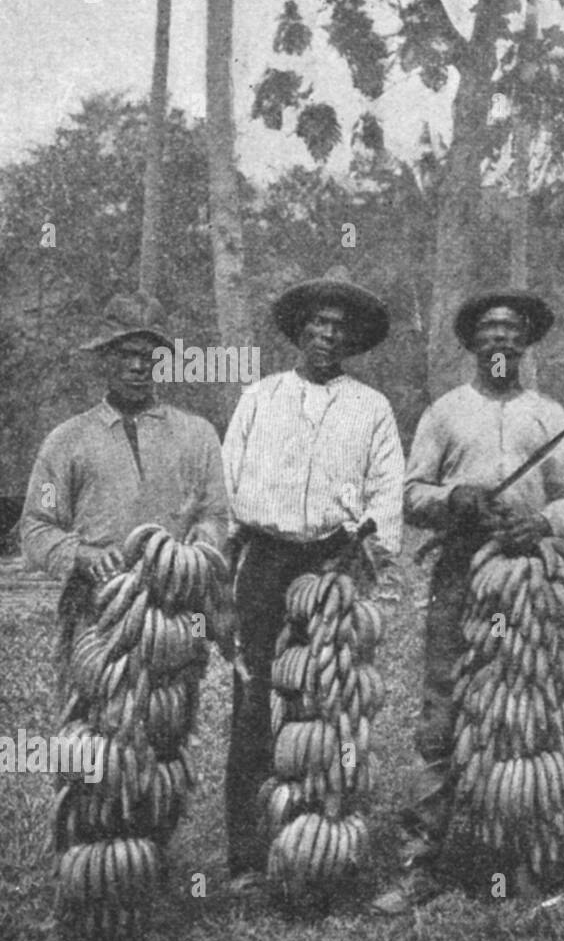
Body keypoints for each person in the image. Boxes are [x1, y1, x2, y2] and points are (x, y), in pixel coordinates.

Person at [374, 290, 564, 914]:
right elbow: (409, 492)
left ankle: (520, 854)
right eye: (490, 330)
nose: (502, 341)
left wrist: (542, 523)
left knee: (525, 710)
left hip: (527, 579)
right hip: (462, 572)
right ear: (472, 343)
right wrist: (453, 499)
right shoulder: (445, 413)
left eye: (513, 331)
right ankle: (422, 860)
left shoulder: (548, 415)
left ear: (526, 344)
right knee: (443, 711)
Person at [221, 268, 404, 895]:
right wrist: (228, 559)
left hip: (331, 563)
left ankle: (318, 835)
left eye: (340, 329)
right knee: (254, 700)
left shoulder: (370, 407)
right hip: (265, 559)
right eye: (319, 324)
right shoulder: (261, 396)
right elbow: (229, 484)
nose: (327, 336)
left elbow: (386, 493)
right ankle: (246, 851)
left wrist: (365, 551)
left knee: (327, 705)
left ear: (353, 341)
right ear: (300, 331)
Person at [21, 293, 228, 701]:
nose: (137, 366)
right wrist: (83, 555)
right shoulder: (67, 442)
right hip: (97, 606)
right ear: (103, 358)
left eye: (149, 357)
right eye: (124, 355)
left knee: (166, 728)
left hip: (172, 609)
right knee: (93, 730)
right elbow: (36, 527)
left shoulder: (196, 435)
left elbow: (217, 516)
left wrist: (193, 550)